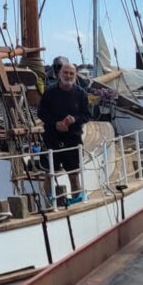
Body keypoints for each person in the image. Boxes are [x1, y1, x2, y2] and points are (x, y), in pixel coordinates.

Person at [38, 61, 90, 203]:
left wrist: (73, 120)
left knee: (74, 174)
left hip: (72, 138)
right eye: (65, 73)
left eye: (71, 73)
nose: (68, 76)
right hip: (52, 138)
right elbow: (41, 113)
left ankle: (77, 200)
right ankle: (47, 203)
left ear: (75, 75)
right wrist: (56, 124)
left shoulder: (81, 94)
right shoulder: (49, 92)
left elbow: (87, 115)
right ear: (59, 74)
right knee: (49, 173)